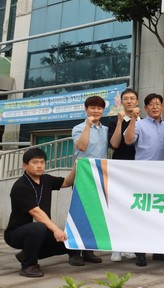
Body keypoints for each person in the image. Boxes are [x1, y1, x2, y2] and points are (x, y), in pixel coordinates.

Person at [4, 148, 78, 278]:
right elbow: (35, 212)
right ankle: (29, 265)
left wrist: (76, 167)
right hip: (16, 233)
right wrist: (56, 229)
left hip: (41, 231)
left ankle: (26, 254)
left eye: (42, 162)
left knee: (70, 243)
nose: (39, 165)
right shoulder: (20, 186)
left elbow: (66, 182)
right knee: (38, 227)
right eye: (35, 162)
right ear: (25, 166)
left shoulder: (46, 179)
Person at [124, 93, 164, 266]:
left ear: (162, 106)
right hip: (143, 176)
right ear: (145, 108)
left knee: (161, 214)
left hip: (163, 177)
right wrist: (133, 119)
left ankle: (160, 252)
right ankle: (140, 252)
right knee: (142, 215)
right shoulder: (139, 124)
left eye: (158, 103)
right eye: (151, 104)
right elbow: (128, 140)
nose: (155, 107)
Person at [71, 95, 107, 265]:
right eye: (92, 108)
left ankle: (88, 251)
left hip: (99, 177)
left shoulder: (105, 130)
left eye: (99, 108)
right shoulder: (78, 128)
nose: (96, 111)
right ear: (86, 109)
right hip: (82, 177)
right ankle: (73, 252)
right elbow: (81, 146)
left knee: (93, 215)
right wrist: (88, 126)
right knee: (79, 214)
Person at [107, 88, 139, 262]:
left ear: (137, 102)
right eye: (126, 98)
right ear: (122, 102)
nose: (129, 101)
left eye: (132, 98)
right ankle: (116, 247)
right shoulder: (114, 121)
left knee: (133, 209)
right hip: (119, 168)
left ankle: (130, 245)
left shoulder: (142, 121)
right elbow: (114, 144)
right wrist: (120, 121)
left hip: (137, 170)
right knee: (118, 207)